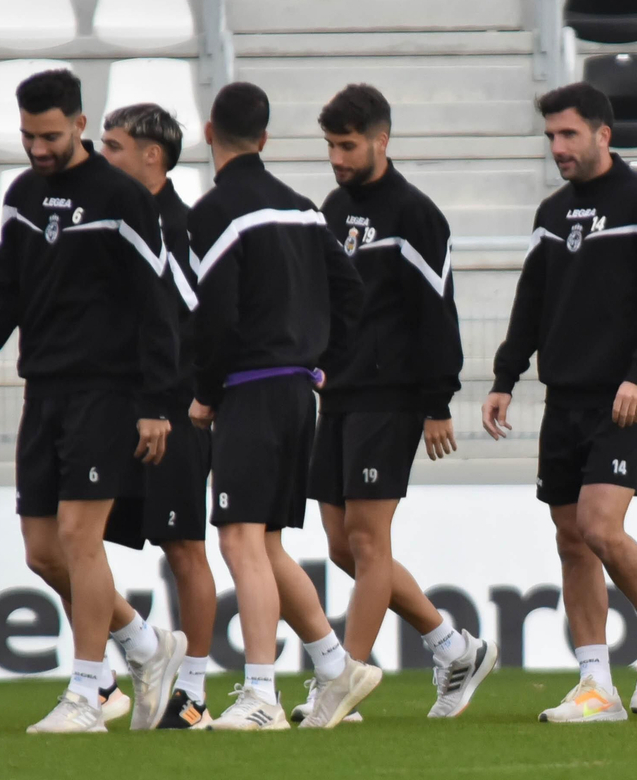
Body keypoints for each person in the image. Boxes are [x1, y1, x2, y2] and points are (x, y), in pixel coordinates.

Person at [0, 69, 186, 734]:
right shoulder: (23, 195)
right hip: (46, 389)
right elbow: (8, 295)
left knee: (78, 536)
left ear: (81, 126)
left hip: (108, 391)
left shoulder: (123, 198)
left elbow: (158, 308)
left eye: (51, 135)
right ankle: (147, 647)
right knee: (42, 551)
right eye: (29, 135)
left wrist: (155, 402)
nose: (38, 148)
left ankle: (90, 695)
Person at [484, 82, 637, 723]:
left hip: (625, 396)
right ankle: (596, 685)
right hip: (564, 397)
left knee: (601, 528)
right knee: (571, 541)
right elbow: (532, 301)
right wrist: (504, 376)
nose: (558, 147)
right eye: (550, 136)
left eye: (568, 134)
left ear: (604, 133)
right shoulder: (550, 214)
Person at [302, 83, 497, 721]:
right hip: (341, 393)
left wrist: (438, 401)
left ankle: (343, 683)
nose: (336, 156)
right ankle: (451, 646)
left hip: (392, 395)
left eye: (347, 145)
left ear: (381, 141)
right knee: (340, 544)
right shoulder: (333, 208)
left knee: (367, 536)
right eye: (330, 145)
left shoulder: (415, 214)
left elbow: (437, 310)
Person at [184, 81, 374, 731]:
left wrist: (205, 393)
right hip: (297, 389)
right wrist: (324, 364)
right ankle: (334, 665)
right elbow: (351, 290)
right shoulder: (303, 209)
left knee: (240, 538)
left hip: (248, 392)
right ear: (264, 137)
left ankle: (261, 695)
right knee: (265, 542)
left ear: (210, 133)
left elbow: (215, 316)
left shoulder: (211, 214)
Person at [98, 103, 218, 730]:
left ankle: (192, 693)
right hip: (118, 406)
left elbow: (198, 323)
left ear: (153, 155)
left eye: (114, 147)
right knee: (75, 544)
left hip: (174, 410)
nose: (102, 156)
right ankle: (126, 661)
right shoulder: (116, 220)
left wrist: (191, 400)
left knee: (184, 549)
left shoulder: (181, 227)